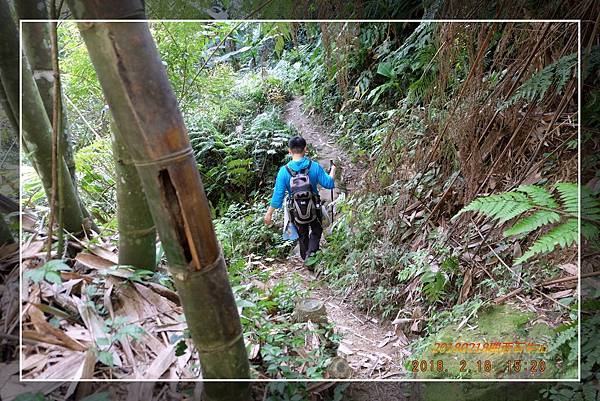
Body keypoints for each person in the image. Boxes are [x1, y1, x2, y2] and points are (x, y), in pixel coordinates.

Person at [264, 136, 336, 262]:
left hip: (296, 210)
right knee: (316, 229)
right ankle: (311, 256)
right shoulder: (314, 166)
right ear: (305, 149)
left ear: (289, 151)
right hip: (314, 206)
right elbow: (329, 184)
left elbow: (278, 197)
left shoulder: (284, 171)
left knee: (302, 234)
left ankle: (306, 258)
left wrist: (269, 214)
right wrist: (333, 171)